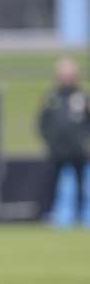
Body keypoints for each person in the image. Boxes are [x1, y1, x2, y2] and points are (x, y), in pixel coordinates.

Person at [38, 57, 90, 223]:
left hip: (78, 149)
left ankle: (81, 215)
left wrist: (84, 141)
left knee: (81, 184)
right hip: (56, 150)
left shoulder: (82, 97)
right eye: (64, 74)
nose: (67, 78)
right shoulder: (52, 97)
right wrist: (49, 140)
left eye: (70, 74)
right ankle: (48, 214)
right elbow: (42, 122)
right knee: (50, 183)